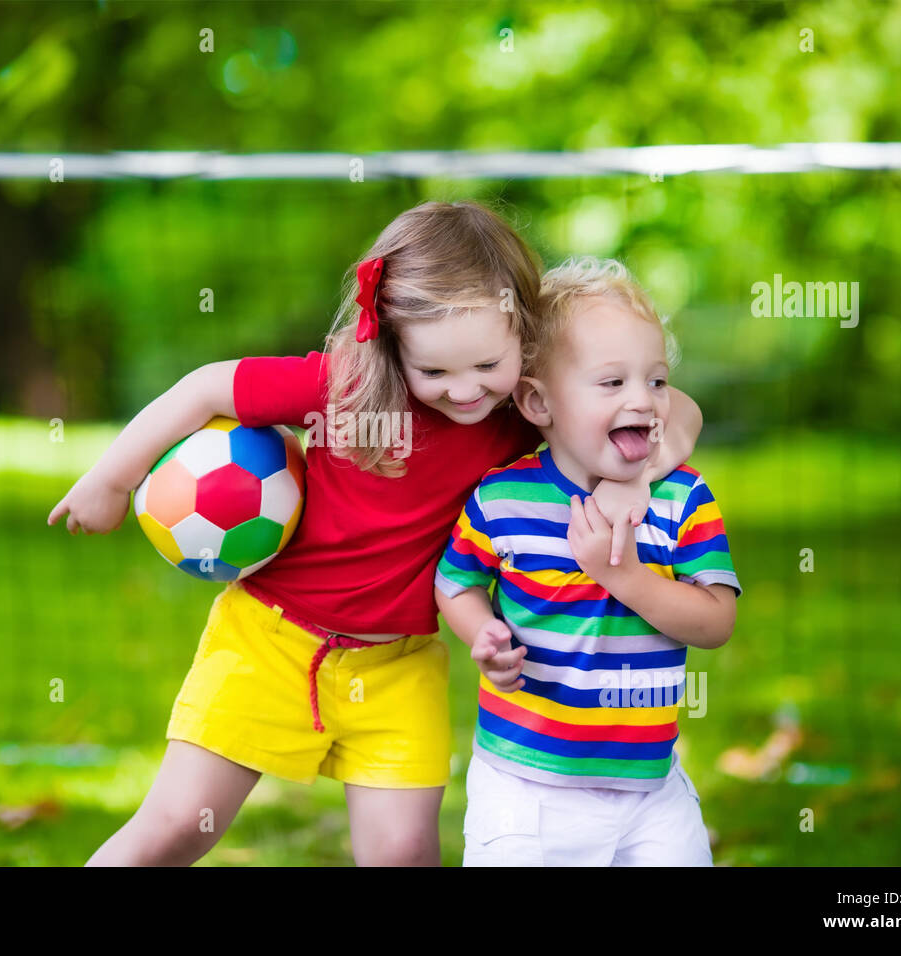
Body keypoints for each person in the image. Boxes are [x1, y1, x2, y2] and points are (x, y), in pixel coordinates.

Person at [48, 204, 703, 866]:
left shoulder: (521, 414)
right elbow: (207, 388)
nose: (465, 390)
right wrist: (112, 479)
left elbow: (679, 410)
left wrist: (633, 475)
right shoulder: (342, 386)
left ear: (523, 338)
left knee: (402, 854)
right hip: (267, 643)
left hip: (399, 668)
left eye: (486, 365)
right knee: (179, 823)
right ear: (393, 343)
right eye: (437, 372)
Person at [436, 255, 740, 866]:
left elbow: (715, 623)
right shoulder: (502, 499)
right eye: (612, 382)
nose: (645, 400)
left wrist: (621, 576)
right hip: (525, 787)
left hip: (651, 790)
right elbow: (456, 583)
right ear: (539, 404)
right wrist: (484, 634)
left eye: (656, 381)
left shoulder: (681, 497)